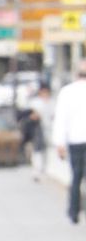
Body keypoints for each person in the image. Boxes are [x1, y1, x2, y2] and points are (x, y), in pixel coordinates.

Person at [54, 64, 86, 223]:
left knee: (76, 177)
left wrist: (60, 143)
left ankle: (73, 212)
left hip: (75, 140)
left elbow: (61, 119)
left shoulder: (67, 92)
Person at [25, 84, 54, 181]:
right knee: (37, 151)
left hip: (50, 130)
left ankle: (45, 170)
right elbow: (29, 116)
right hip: (38, 130)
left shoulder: (52, 102)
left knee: (47, 151)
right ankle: (36, 171)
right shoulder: (35, 103)